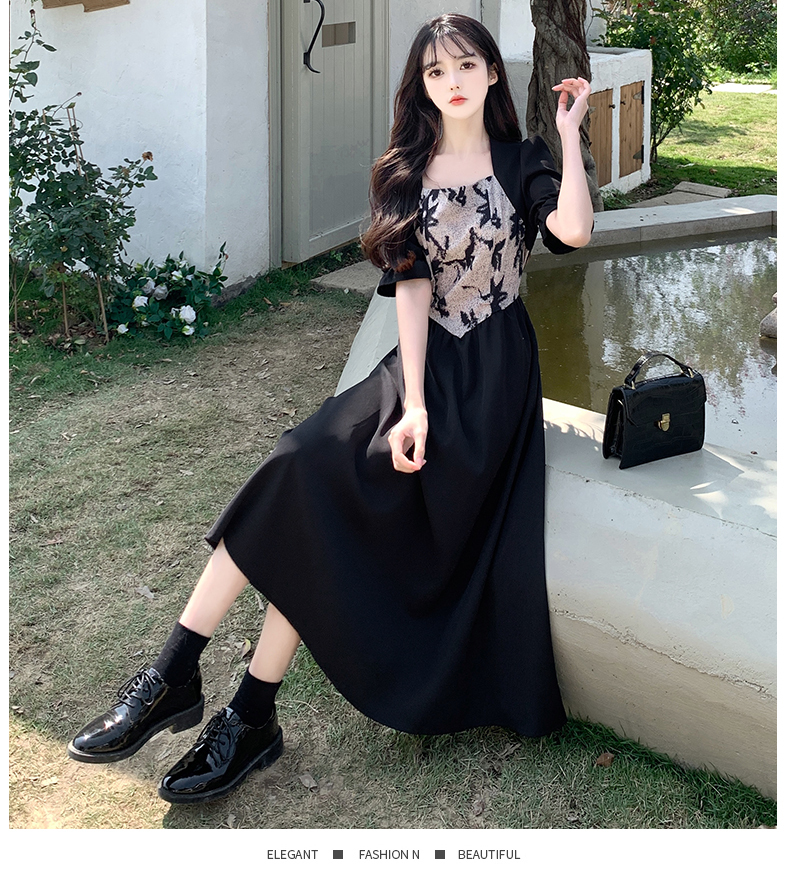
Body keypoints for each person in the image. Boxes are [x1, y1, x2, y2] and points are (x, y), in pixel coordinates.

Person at [68, 13, 593, 805]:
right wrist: (413, 404)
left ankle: (241, 712)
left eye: (465, 66)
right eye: (435, 72)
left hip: (493, 383)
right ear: (420, 87)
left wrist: (570, 133)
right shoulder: (402, 174)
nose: (451, 82)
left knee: (323, 499)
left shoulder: (525, 162)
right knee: (299, 467)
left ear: (492, 72)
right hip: (423, 366)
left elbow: (574, 231)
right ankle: (177, 675)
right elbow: (411, 289)